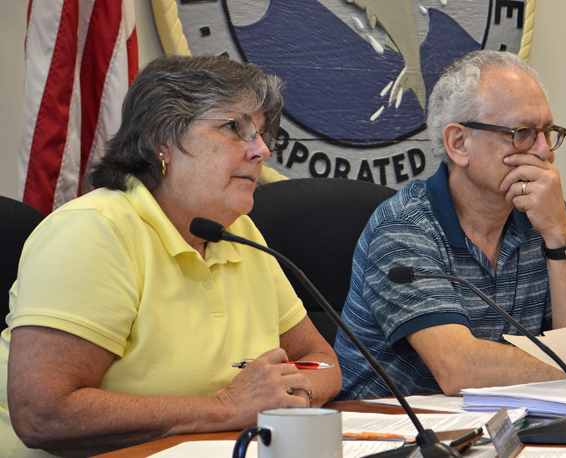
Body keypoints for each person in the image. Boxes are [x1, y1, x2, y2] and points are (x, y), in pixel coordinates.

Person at [0, 55, 341, 458]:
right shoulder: (94, 231)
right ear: (162, 139)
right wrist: (228, 408)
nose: (261, 151)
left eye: (262, 135)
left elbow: (321, 362)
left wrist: (286, 396)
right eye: (235, 128)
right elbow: (44, 414)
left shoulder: (237, 231)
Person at [334, 50, 566, 400]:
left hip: (501, 427)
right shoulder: (403, 227)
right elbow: (459, 368)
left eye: (547, 132)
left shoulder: (545, 215)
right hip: (386, 436)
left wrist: (560, 235)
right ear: (459, 143)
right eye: (523, 132)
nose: (545, 152)